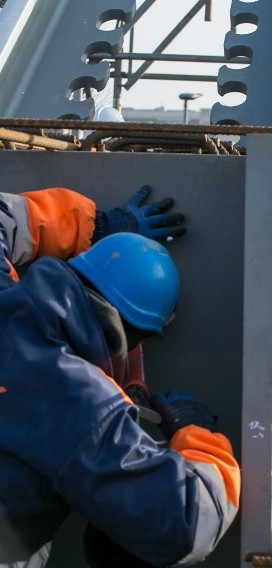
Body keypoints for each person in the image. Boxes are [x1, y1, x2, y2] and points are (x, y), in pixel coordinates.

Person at [0, 187, 239, 567]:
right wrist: (200, 436)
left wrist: (95, 226)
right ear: (130, 337)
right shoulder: (84, 411)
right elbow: (186, 523)